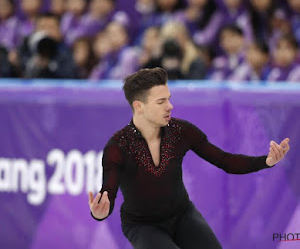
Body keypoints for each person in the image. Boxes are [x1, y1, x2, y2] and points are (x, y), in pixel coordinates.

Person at [88, 67, 290, 248]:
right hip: (142, 225)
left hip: (183, 215)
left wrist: (266, 161)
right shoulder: (118, 147)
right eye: (161, 102)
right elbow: (108, 194)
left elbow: (225, 161)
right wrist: (100, 213)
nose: (170, 106)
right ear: (139, 106)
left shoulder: (180, 131)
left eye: (169, 98)